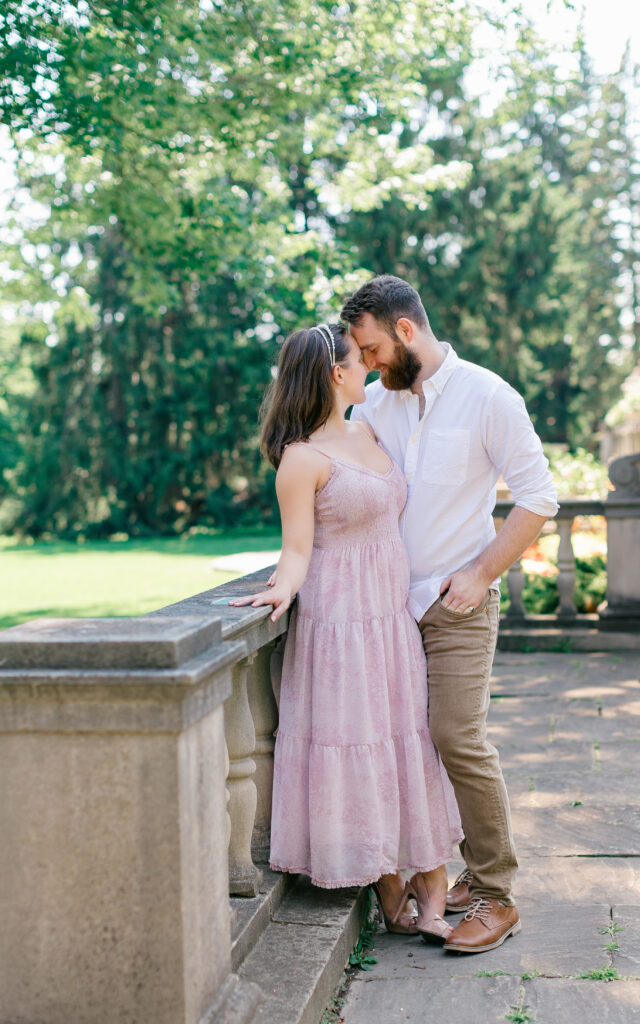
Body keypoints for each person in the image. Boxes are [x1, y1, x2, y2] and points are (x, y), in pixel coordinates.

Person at [341, 275, 559, 954]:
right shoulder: (374, 406)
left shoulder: (488, 396)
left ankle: (494, 893)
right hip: (383, 610)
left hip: (457, 603)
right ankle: (449, 876)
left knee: (456, 737)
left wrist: (480, 573)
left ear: (405, 331)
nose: (368, 363)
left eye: (372, 347)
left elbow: (537, 498)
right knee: (407, 744)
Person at [229, 322, 461, 941]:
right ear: (337, 372)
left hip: (389, 621)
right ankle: (390, 888)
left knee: (407, 740)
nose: (370, 368)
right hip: (339, 625)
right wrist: (281, 586)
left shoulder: (370, 428)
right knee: (358, 743)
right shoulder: (301, 459)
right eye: (360, 360)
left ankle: (432, 884)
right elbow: (297, 548)